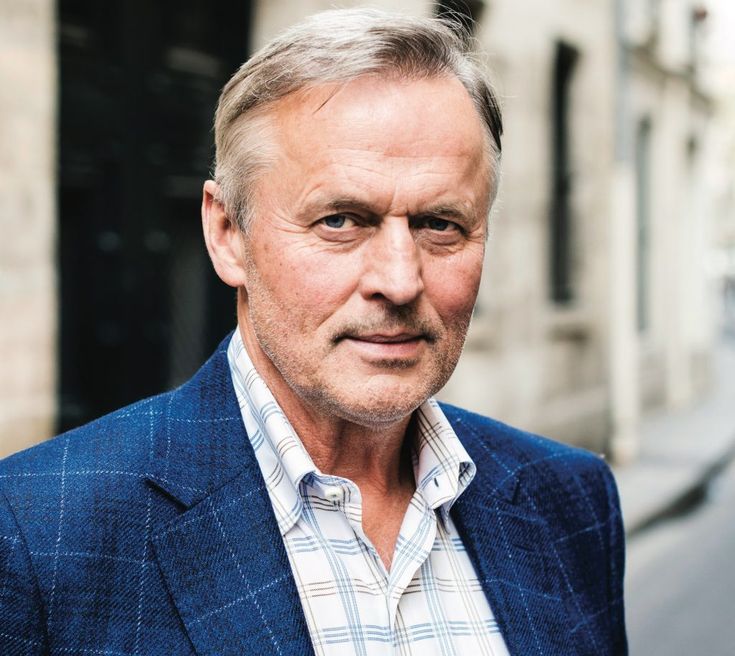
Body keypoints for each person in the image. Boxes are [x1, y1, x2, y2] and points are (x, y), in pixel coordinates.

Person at [0, 9, 626, 656]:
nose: (399, 280)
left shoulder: (568, 500)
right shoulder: (36, 533)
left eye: (440, 224)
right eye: (339, 220)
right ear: (227, 234)